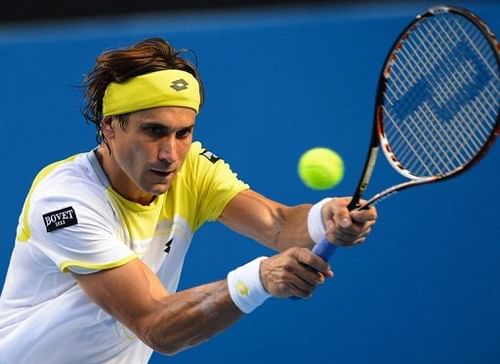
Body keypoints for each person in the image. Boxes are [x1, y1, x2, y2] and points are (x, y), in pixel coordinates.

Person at [0, 38, 377, 363]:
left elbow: (279, 225)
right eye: (154, 131)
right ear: (109, 127)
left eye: (184, 133)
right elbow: (155, 324)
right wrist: (258, 279)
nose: (171, 154)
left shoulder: (191, 169)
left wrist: (325, 219)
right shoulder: (64, 201)